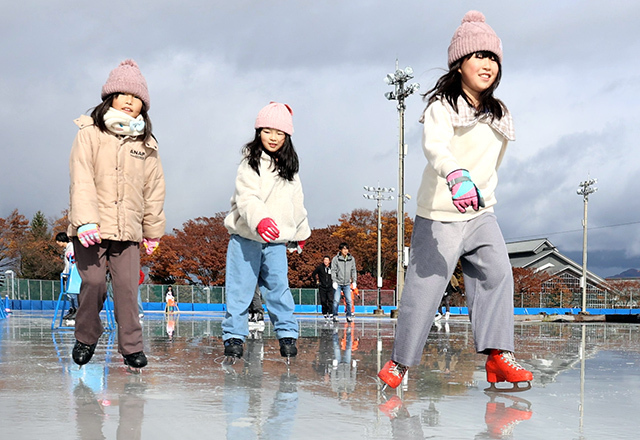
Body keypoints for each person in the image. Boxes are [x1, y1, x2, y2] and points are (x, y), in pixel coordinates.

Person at [378, 11, 532, 392]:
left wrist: (481, 192)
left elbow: (493, 164)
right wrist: (455, 175)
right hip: (440, 213)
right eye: (478, 56)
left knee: (498, 274)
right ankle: (400, 363)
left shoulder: (500, 114)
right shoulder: (441, 106)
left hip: (480, 212)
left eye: (493, 57)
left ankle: (498, 357)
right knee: (424, 289)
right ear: (458, 62)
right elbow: (435, 147)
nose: (487, 64)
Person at [67, 59, 165, 373]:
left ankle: (132, 347)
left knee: (127, 289)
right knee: (93, 283)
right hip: (91, 230)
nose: (128, 101)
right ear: (109, 98)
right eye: (122, 94)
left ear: (142, 108)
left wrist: (152, 231)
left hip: (129, 232)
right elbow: (80, 177)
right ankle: (86, 336)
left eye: (135, 98)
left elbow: (154, 189)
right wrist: (85, 220)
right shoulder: (89, 132)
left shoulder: (146, 145)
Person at [222, 102, 311, 361]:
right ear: (258, 131)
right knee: (240, 289)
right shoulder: (250, 163)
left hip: (275, 242)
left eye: (279, 133)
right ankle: (234, 337)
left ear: (287, 137)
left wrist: (300, 233)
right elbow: (246, 197)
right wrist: (260, 220)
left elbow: (297, 202)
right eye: (267, 131)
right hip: (246, 237)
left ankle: (287, 334)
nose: (273, 138)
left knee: (278, 288)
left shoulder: (290, 169)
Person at [331, 242, 357, 323]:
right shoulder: (336, 259)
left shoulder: (351, 259)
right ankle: (335, 315)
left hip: (347, 283)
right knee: (336, 300)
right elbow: (333, 270)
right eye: (344, 249)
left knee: (349, 300)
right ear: (340, 250)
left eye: (347, 249)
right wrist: (334, 281)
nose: (346, 251)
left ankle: (348, 315)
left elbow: (353, 270)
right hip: (338, 283)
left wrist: (354, 281)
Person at [56, 231, 78, 320]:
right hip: (68, 273)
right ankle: (72, 309)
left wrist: (67, 273)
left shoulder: (71, 247)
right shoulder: (67, 248)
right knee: (69, 293)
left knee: (73, 293)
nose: (57, 243)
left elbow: (71, 263)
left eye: (58, 241)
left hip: (72, 274)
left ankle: (76, 309)